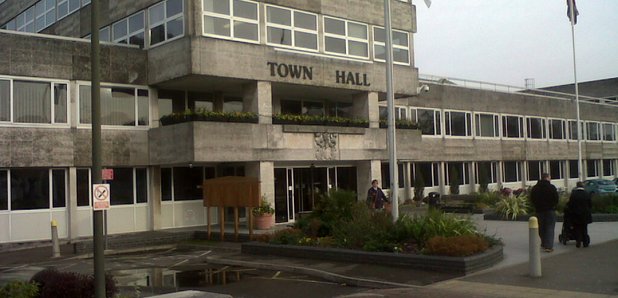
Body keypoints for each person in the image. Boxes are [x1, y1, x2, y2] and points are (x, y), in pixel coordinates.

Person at [529, 173, 559, 252]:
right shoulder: (551, 187)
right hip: (550, 210)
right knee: (550, 227)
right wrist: (554, 205)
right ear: (547, 178)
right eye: (550, 177)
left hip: (539, 210)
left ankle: (544, 242)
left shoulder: (535, 188)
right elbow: (556, 198)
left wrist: (536, 206)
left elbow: (532, 198)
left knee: (541, 228)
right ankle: (548, 246)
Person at [566, 181, 592, 248]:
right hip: (585, 214)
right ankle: (585, 243)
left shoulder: (574, 194)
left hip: (576, 214)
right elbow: (590, 204)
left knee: (577, 228)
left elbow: (570, 204)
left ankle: (578, 242)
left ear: (577, 186)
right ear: (583, 186)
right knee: (584, 228)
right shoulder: (587, 194)